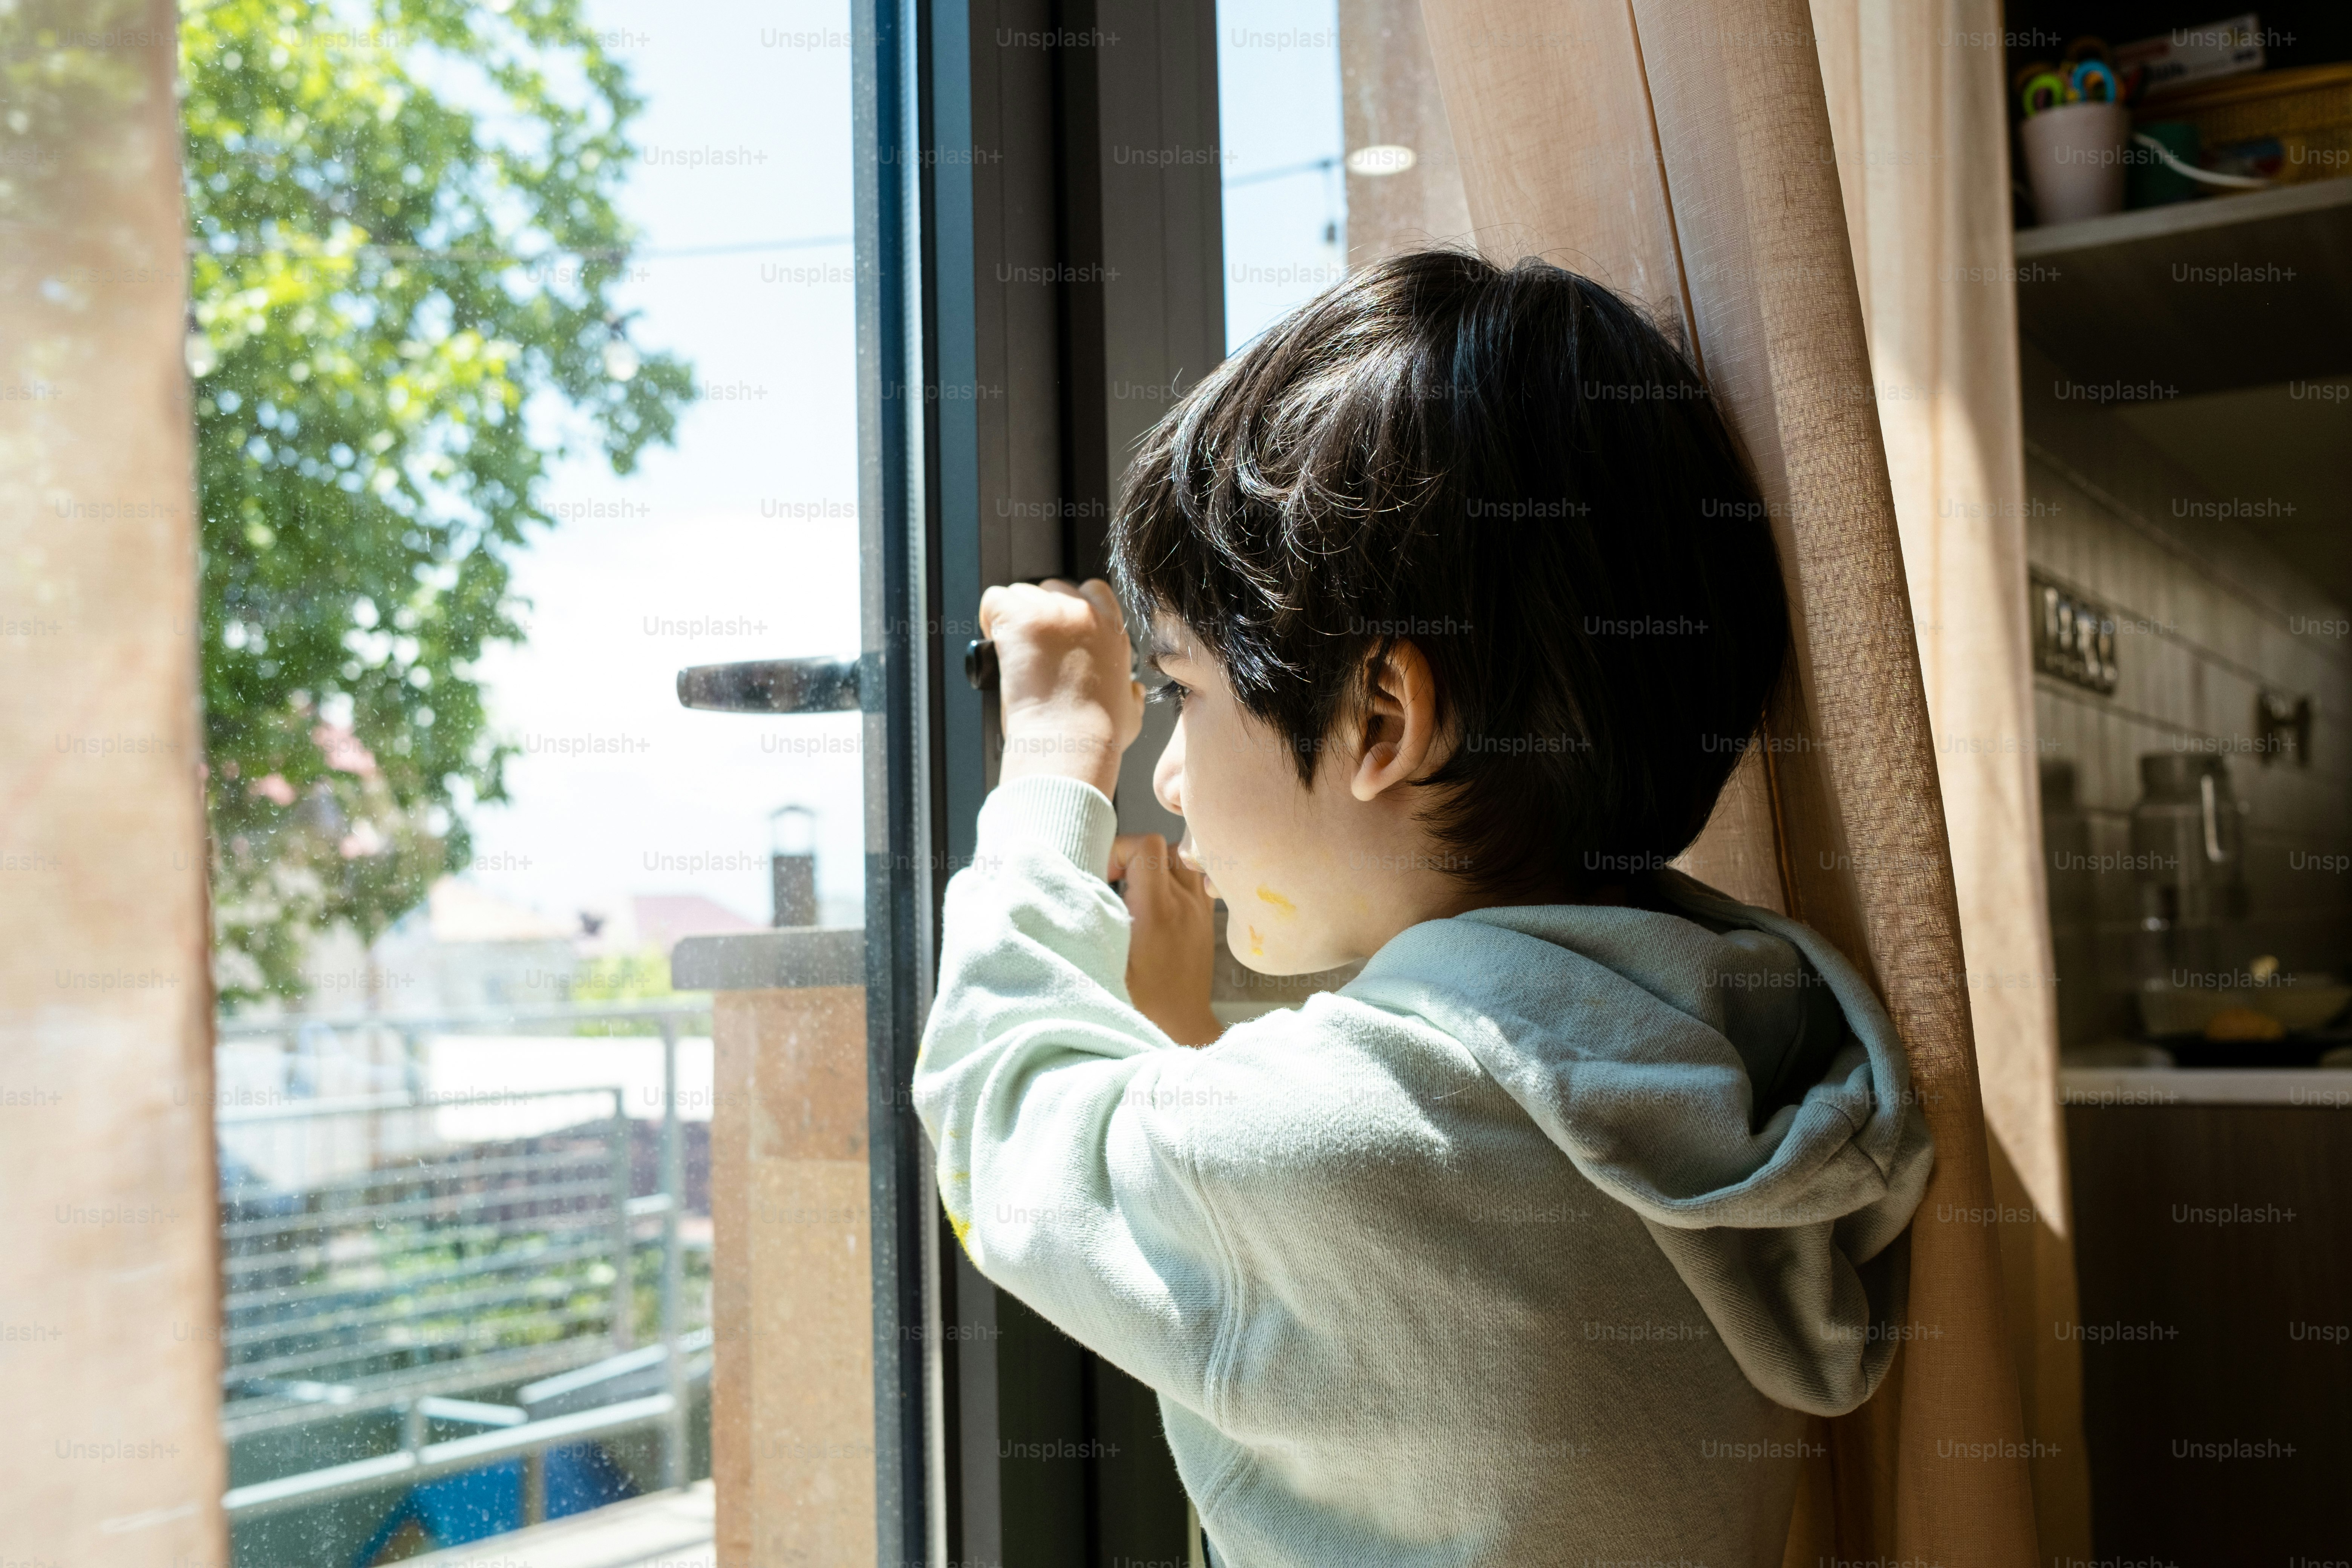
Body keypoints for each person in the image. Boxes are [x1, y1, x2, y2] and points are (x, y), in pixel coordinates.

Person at [913, 250, 1932, 1566]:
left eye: (1181, 695)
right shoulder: (1730, 1051)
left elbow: (999, 1133)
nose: (1165, 774)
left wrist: (1053, 766)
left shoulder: (1357, 1141)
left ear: (1383, 718)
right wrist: (1185, 1059)